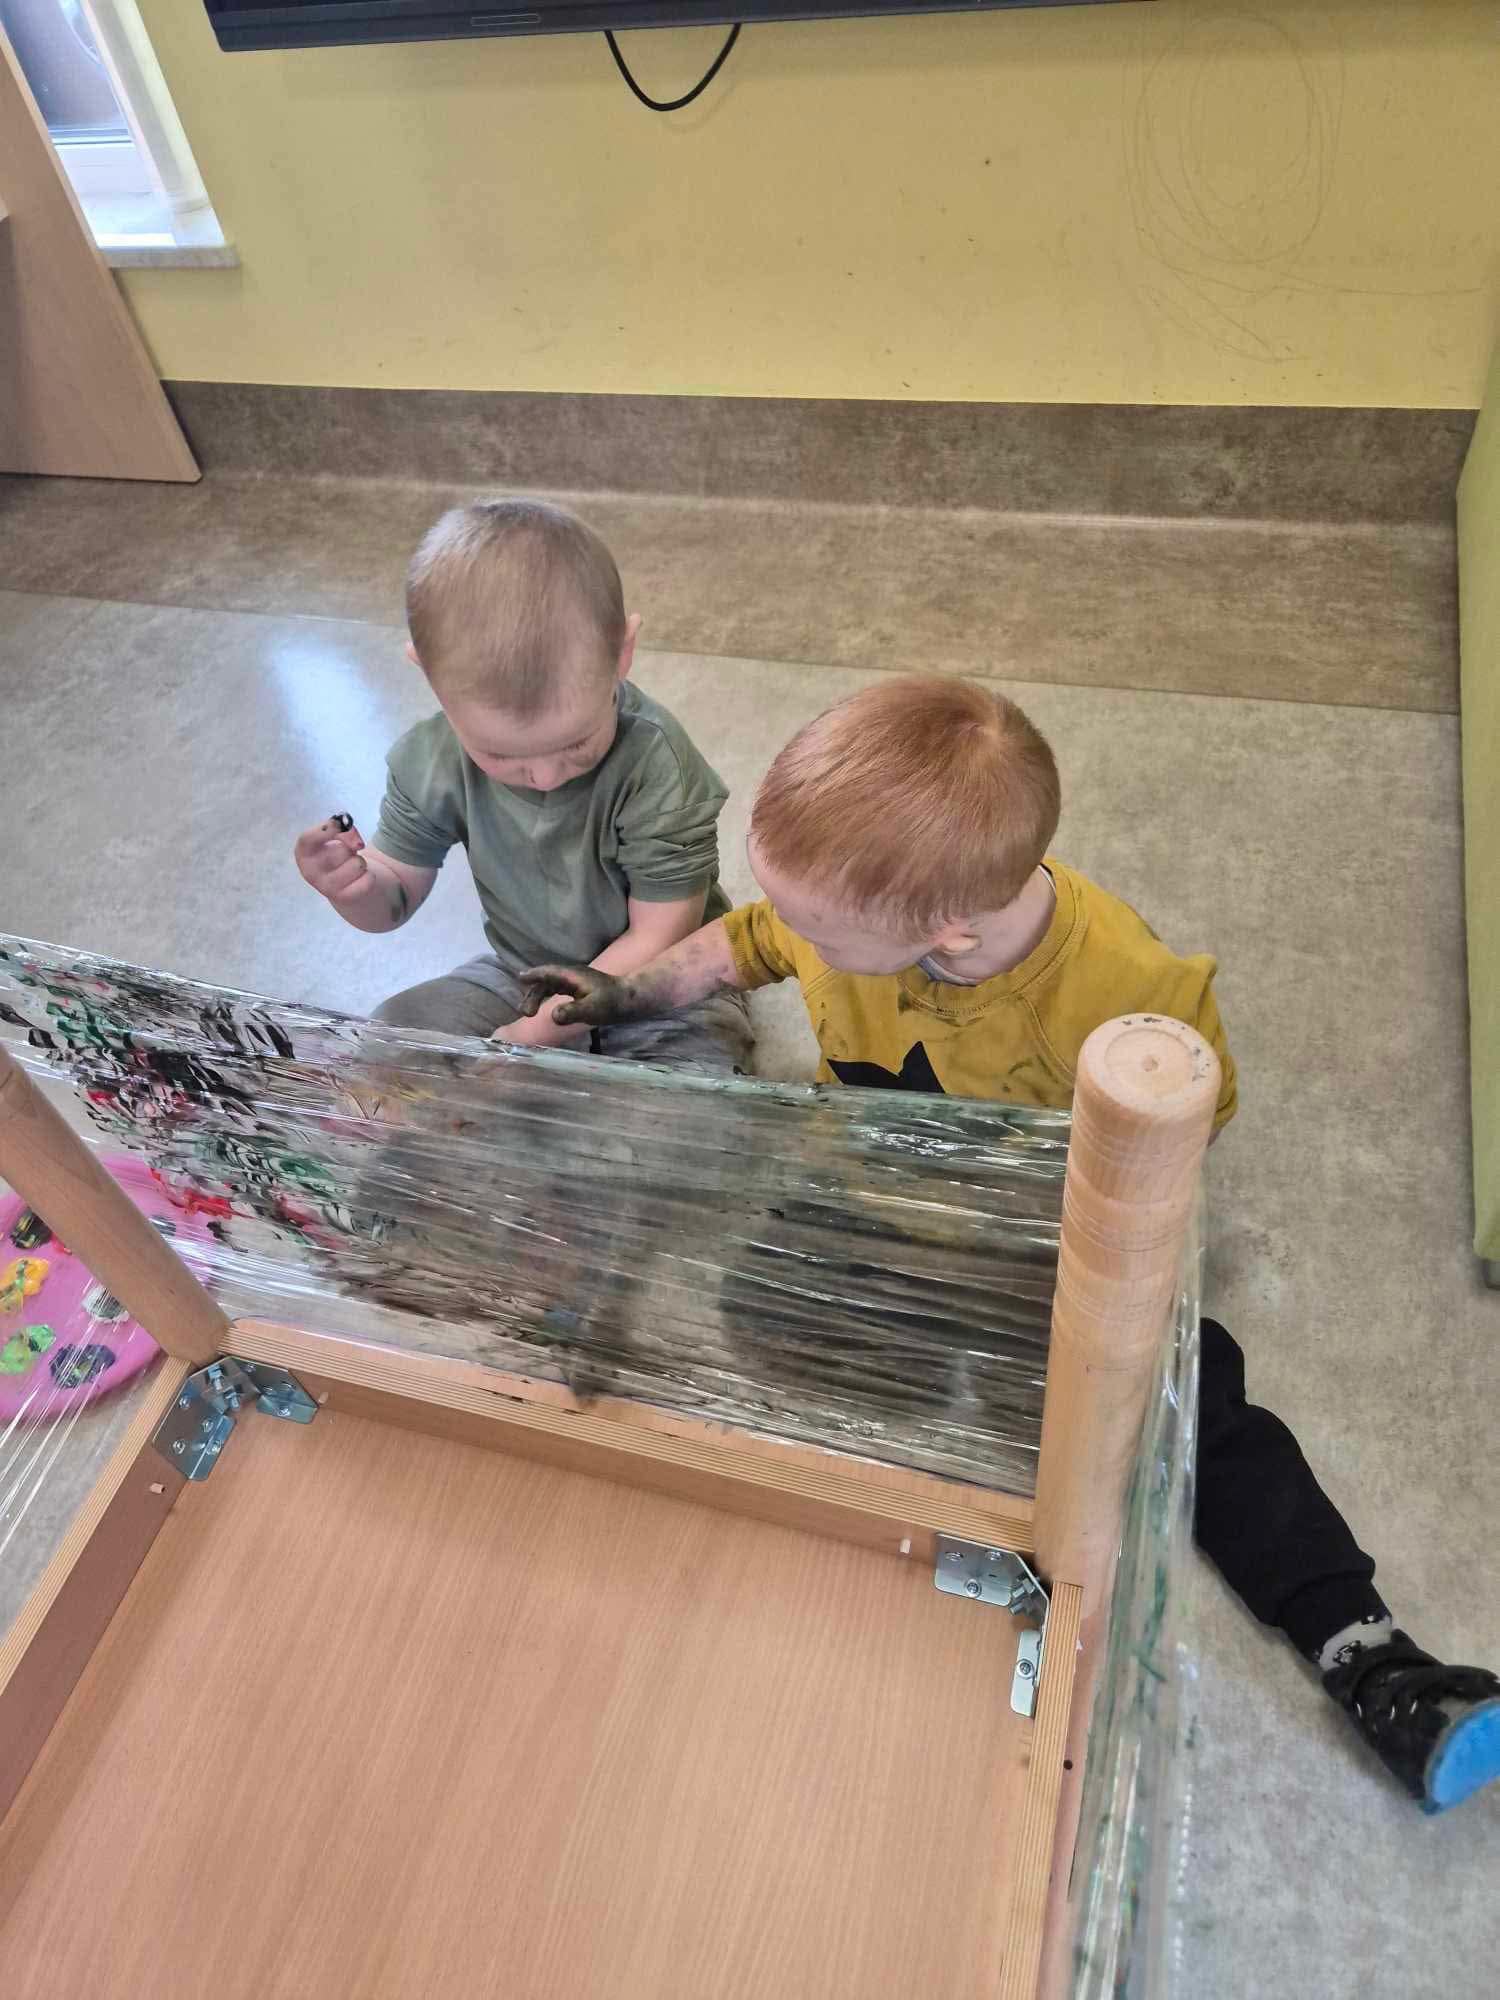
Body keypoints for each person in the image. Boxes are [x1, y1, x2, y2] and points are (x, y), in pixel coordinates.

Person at [518, 673, 1500, 1814]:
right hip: (866, 1200)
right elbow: (742, 945)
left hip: (1036, 1239)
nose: (794, 935)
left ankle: (1369, 1654)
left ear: (945, 932)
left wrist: (1095, 1232)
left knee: (1191, 1407)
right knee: (758, 1311)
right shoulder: (854, 900)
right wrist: (625, 995)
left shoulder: (1121, 988)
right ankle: (970, 1371)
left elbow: (1192, 1115)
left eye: (819, 928)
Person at [293, 497, 750, 1072]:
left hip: (660, 986)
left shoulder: (659, 765)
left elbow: (660, 934)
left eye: (577, 742)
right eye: (501, 755)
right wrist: (353, 889)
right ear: (430, 678)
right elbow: (394, 897)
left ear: (622, 654)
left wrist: (535, 1034)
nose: (545, 776)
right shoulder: (432, 759)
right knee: (389, 1044)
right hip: (524, 973)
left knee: (691, 1092)